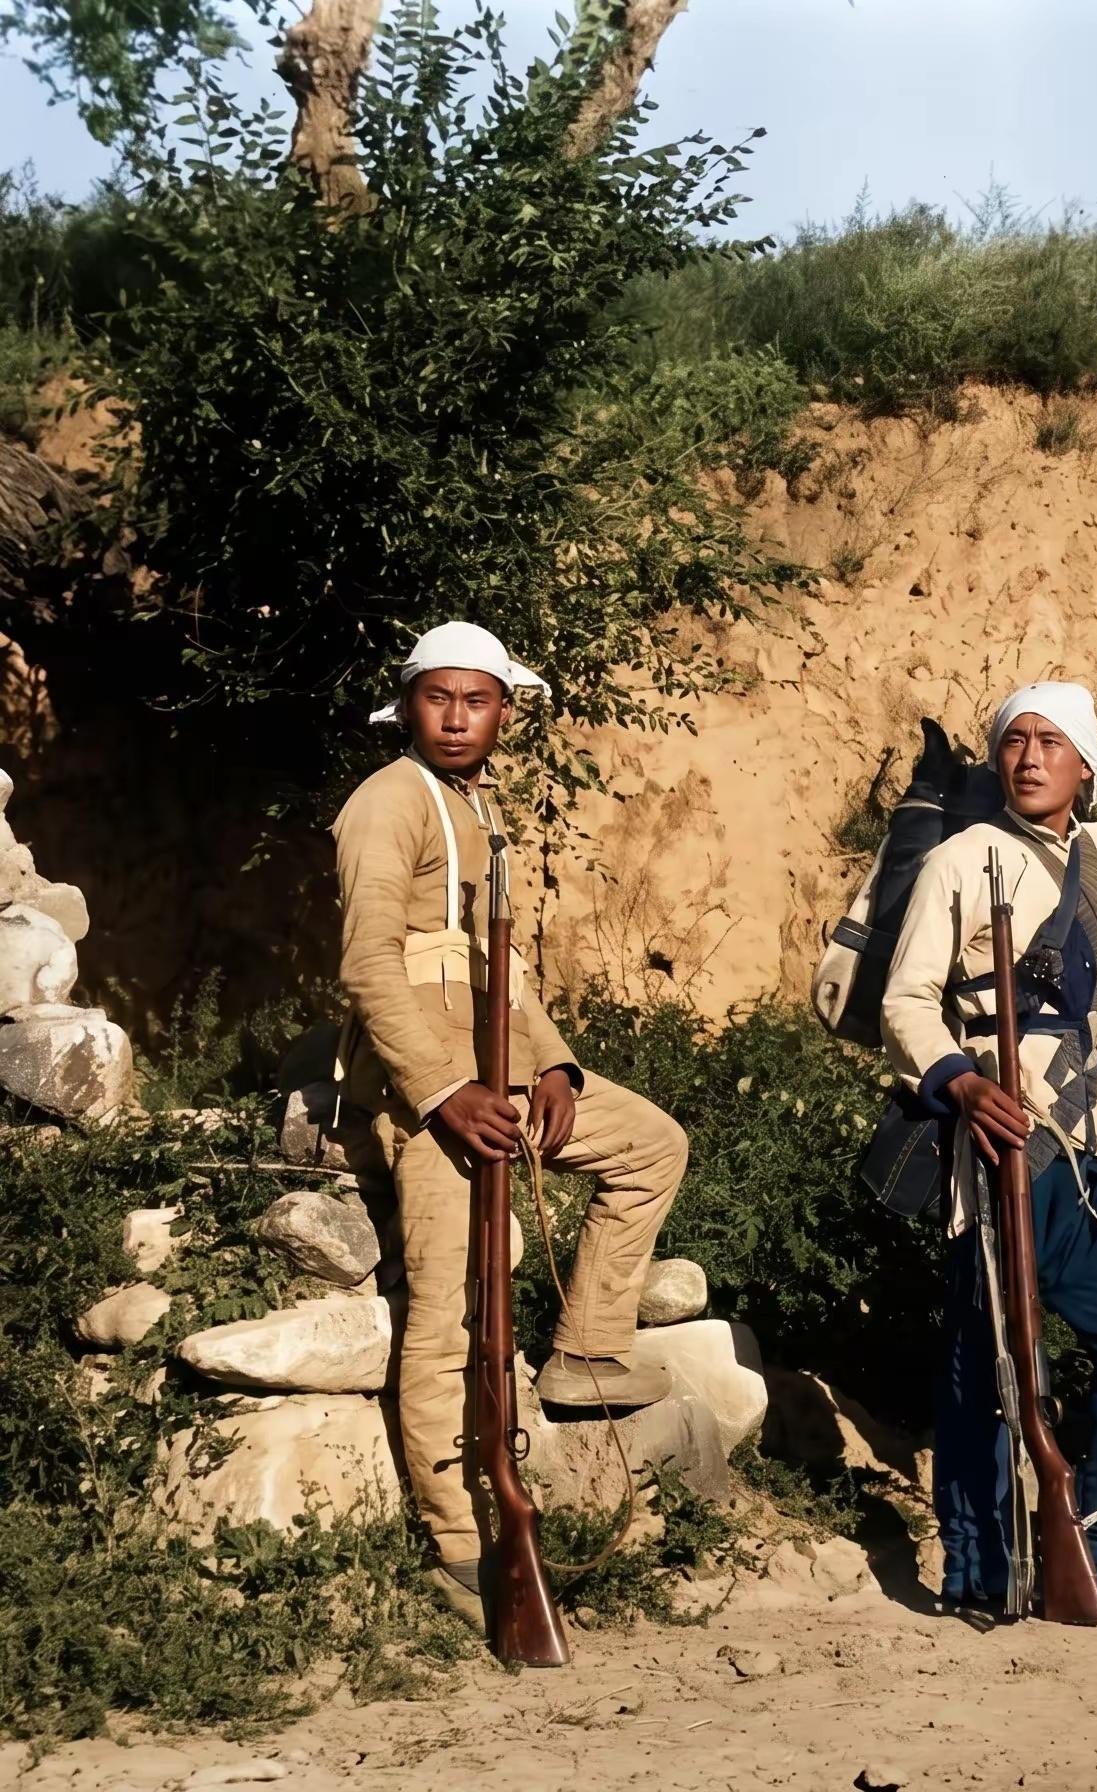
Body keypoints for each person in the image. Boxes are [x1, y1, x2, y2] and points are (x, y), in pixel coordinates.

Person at [333, 621, 690, 1623]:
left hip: (504, 1074)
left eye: (477, 699)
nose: (456, 717)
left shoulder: (478, 811)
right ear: (409, 705)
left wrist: (555, 1064)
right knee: (450, 1311)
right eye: (437, 697)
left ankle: (586, 1351)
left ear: (504, 711)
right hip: (435, 1093)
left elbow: (501, 970)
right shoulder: (387, 801)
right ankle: (458, 1542)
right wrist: (443, 1092)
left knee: (651, 1144)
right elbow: (369, 964)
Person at [880, 681, 1097, 1608]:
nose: (1030, 757)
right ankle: (978, 1570)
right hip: (1005, 1138)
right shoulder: (962, 859)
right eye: (1016, 741)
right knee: (990, 1354)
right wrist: (960, 1080)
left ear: (1086, 767)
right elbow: (905, 1000)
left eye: (1051, 743)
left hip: (1095, 1139)